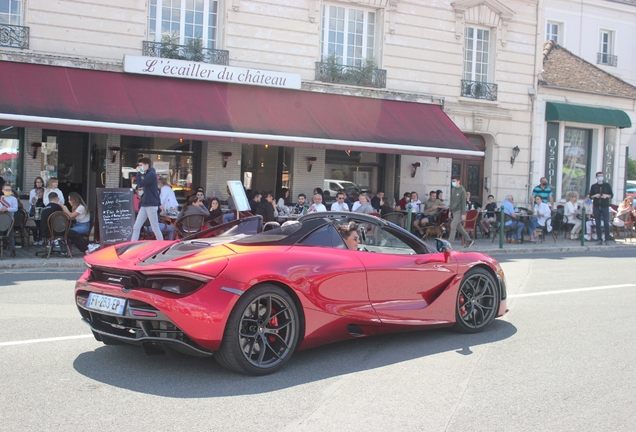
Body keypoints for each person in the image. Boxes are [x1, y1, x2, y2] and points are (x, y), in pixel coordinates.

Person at [131, 157, 163, 241]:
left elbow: (140, 184)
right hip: (146, 203)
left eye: (141, 165)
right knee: (136, 226)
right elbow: (155, 191)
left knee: (155, 227)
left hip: (150, 204)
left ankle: (162, 244)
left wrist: (138, 173)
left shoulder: (151, 174)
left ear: (146, 165)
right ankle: (132, 245)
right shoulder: (149, 174)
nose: (139, 167)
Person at [588, 171, 613, 245]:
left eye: (601, 176)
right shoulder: (594, 186)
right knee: (597, 223)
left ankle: (607, 239)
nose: (600, 177)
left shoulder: (607, 185)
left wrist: (606, 196)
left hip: (605, 206)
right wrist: (595, 195)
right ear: (596, 177)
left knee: (606, 223)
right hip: (596, 206)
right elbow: (590, 196)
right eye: (599, 176)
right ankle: (599, 239)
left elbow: (611, 195)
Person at [448, 177, 473, 248]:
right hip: (453, 210)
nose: (453, 183)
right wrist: (450, 211)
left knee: (453, 225)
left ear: (459, 181)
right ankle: (469, 240)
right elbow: (451, 200)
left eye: (454, 181)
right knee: (459, 227)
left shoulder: (462, 190)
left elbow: (463, 203)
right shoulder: (453, 189)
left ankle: (449, 243)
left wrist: (463, 213)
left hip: (459, 211)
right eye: (452, 181)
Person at [0, 183, 18, 257]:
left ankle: (13, 250)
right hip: (1, 220)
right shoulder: (1, 198)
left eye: (9, 190)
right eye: (6, 190)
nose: (8, 191)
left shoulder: (14, 199)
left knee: (10, 235)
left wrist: (7, 209)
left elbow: (15, 208)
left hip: (10, 220)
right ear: (2, 190)